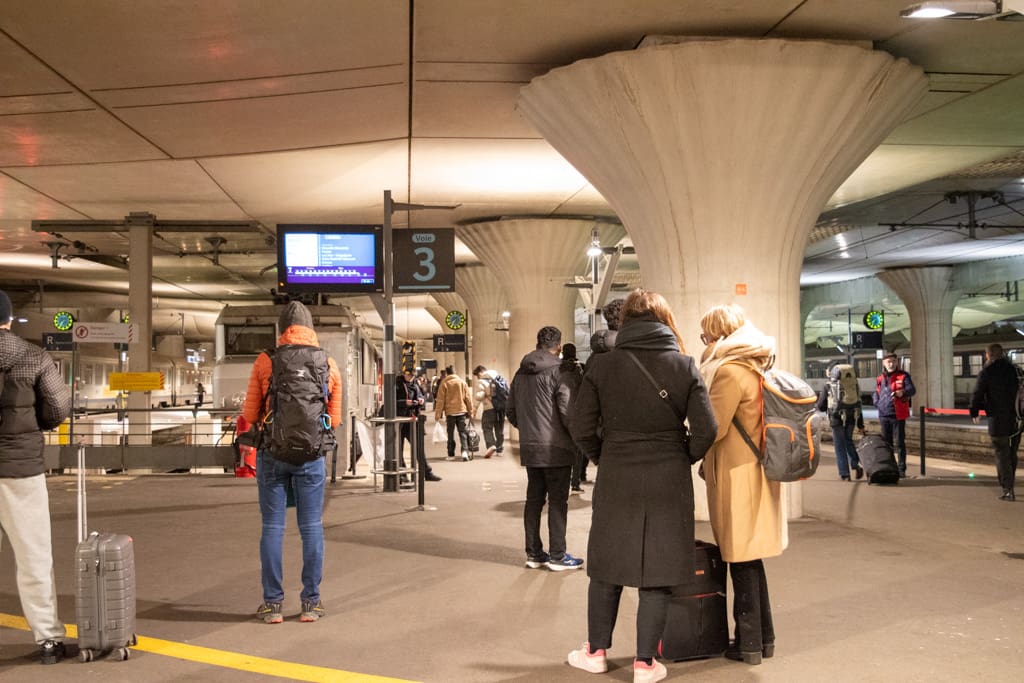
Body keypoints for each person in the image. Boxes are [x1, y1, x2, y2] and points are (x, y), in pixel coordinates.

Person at [568, 290, 716, 683]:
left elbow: (580, 425)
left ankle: (596, 652)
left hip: (617, 471)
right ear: (664, 319)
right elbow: (707, 429)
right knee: (659, 567)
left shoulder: (603, 365)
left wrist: (603, 454)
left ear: (626, 321)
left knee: (607, 565)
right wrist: (682, 454)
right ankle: (645, 663)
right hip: (668, 474)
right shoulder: (683, 365)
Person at [243, 301, 342, 624]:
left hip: (273, 453)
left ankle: (273, 605)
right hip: (311, 457)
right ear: (310, 328)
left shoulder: (266, 360)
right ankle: (310, 603)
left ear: (281, 328)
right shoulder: (327, 362)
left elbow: (248, 415)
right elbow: (335, 419)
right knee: (311, 527)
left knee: (273, 527)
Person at [698, 304, 786, 666]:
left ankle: (747, 642)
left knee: (741, 559)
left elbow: (713, 427)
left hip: (737, 476)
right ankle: (764, 638)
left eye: (705, 336)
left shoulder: (730, 373)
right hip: (753, 472)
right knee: (752, 557)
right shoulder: (756, 366)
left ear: (718, 335)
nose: (703, 342)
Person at [0, 289, 72, 664]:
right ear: (9, 320)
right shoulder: (32, 356)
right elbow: (58, 407)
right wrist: (32, 426)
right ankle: (48, 638)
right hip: (20, 470)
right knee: (33, 557)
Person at [507, 326, 583, 572]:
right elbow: (567, 411)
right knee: (558, 502)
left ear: (537, 342)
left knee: (534, 500)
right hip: (557, 447)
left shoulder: (521, 373)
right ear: (558, 346)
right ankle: (558, 556)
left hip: (531, 447)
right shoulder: (560, 371)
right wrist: (576, 437)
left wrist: (529, 430)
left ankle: (534, 553)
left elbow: (511, 412)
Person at [969, 343, 1020, 501]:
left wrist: (974, 411)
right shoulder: (1015, 370)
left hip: (997, 420)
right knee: (1012, 453)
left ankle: (1007, 488)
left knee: (1001, 453)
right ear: (1003, 354)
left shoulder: (987, 371)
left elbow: (977, 393)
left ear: (988, 355)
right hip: (1017, 419)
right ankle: (1010, 483)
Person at [815, 363, 865, 481]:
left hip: (836, 418)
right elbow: (859, 403)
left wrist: (818, 404)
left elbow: (821, 406)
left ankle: (845, 474)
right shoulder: (854, 384)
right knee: (848, 441)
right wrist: (860, 424)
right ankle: (855, 464)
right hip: (852, 417)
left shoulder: (828, 385)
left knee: (839, 446)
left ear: (831, 372)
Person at [873, 352, 916, 478]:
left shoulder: (903, 376)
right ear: (884, 364)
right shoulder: (880, 378)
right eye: (888, 362)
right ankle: (890, 467)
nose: (891, 364)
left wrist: (902, 392)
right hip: (884, 414)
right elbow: (876, 392)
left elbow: (912, 390)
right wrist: (877, 402)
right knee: (887, 443)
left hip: (898, 414)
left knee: (900, 442)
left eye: (893, 361)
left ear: (896, 362)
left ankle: (901, 468)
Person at [397, 368, 441, 482]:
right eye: (409, 376)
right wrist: (404, 402)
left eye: (413, 376)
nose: (411, 378)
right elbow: (390, 400)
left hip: (413, 419)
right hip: (400, 420)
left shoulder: (415, 383)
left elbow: (422, 395)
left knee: (418, 447)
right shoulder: (397, 384)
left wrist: (421, 400)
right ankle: (402, 475)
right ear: (403, 374)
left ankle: (426, 472)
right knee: (398, 449)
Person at [558, 343, 586, 493]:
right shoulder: (581, 367)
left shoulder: (557, 368)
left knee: (562, 449)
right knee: (577, 451)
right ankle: (575, 482)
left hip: (561, 413)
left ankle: (562, 482)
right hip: (577, 413)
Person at [434, 365, 474, 461]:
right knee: (462, 433)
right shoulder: (462, 382)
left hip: (450, 413)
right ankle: (465, 452)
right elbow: (468, 399)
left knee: (450, 434)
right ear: (455, 372)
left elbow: (440, 401)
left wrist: (438, 415)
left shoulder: (444, 383)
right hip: (461, 412)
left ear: (447, 373)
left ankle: (451, 454)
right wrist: (471, 411)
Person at [472, 364, 506, 457]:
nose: (477, 377)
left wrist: (474, 409)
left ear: (480, 372)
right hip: (501, 408)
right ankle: (499, 449)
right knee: (499, 429)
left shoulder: (482, 381)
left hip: (489, 408)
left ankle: (491, 446)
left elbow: (480, 395)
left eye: (477, 375)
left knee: (487, 427)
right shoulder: (498, 378)